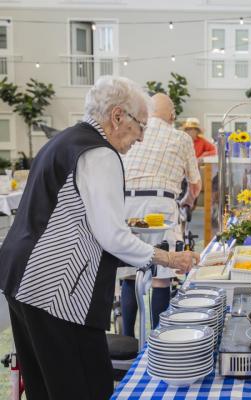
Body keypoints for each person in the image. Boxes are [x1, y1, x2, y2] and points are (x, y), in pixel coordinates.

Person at [0, 76, 199, 400]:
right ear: (118, 115)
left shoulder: (63, 141)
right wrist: (170, 258)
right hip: (56, 291)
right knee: (85, 386)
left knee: (43, 388)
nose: (141, 137)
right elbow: (112, 236)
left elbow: (75, 221)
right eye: (140, 125)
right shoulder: (100, 154)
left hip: (21, 280)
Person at [121, 93, 202, 336]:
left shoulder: (133, 133)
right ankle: (158, 338)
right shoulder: (181, 137)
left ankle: (127, 337)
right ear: (172, 114)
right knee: (162, 275)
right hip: (160, 204)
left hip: (125, 203)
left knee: (128, 271)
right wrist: (186, 203)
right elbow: (195, 185)